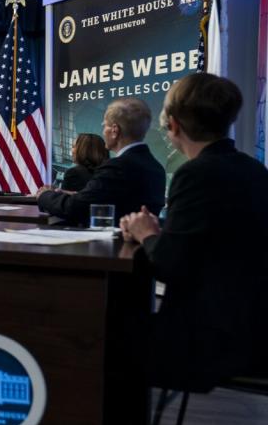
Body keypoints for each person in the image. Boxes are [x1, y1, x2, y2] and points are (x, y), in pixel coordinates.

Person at [121, 73, 268, 391]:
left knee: (105, 336)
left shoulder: (195, 174)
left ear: (172, 125)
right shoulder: (255, 170)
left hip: (210, 341)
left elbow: (170, 266)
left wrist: (146, 232)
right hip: (254, 331)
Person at [36, 98, 165, 226]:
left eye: (104, 126)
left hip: (110, 243)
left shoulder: (117, 167)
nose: (103, 132)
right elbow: (116, 200)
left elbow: (75, 208)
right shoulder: (156, 168)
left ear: (115, 130)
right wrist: (77, 194)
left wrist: (44, 195)